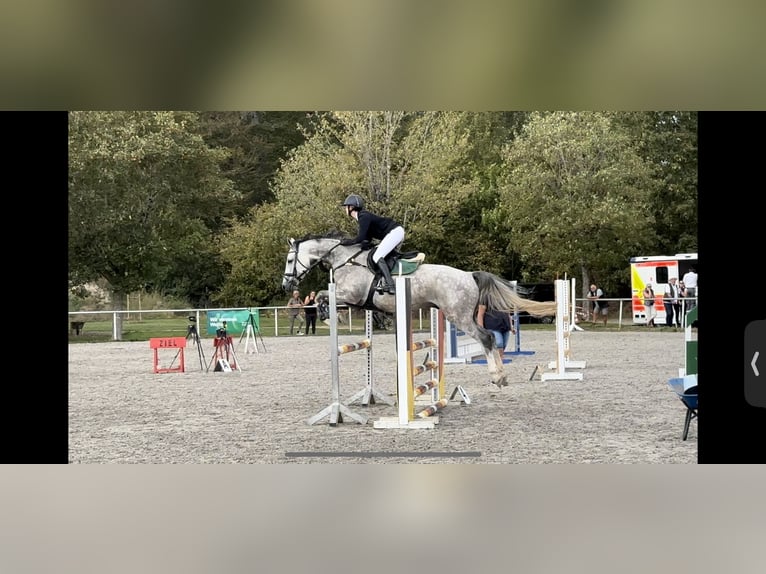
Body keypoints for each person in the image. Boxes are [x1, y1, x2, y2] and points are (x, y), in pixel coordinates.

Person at [340, 194, 405, 294]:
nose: (345, 209)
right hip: (394, 232)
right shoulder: (362, 217)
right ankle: (384, 281)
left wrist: (347, 242)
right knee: (378, 254)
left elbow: (360, 238)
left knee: (377, 256)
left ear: (351, 207)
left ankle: (390, 285)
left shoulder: (363, 216)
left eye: (346, 207)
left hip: (395, 232)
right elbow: (366, 239)